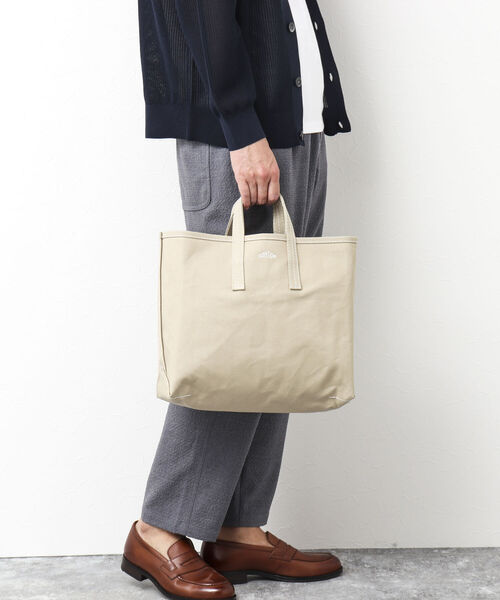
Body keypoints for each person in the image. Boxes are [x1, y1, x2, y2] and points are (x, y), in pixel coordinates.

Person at [122, 1, 351, 598]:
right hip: (240, 135)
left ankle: (240, 529)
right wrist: (242, 129)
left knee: (275, 334)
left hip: (294, 126)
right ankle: (158, 528)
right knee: (232, 336)